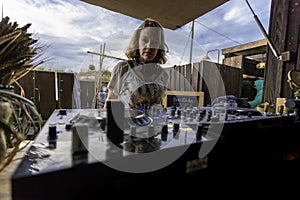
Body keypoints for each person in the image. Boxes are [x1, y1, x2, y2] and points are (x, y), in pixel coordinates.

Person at [104, 18, 169, 111]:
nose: (149, 46)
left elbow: (158, 105)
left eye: (155, 42)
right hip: (125, 124)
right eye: (145, 40)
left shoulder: (164, 75)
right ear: (137, 42)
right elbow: (110, 102)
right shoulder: (123, 69)